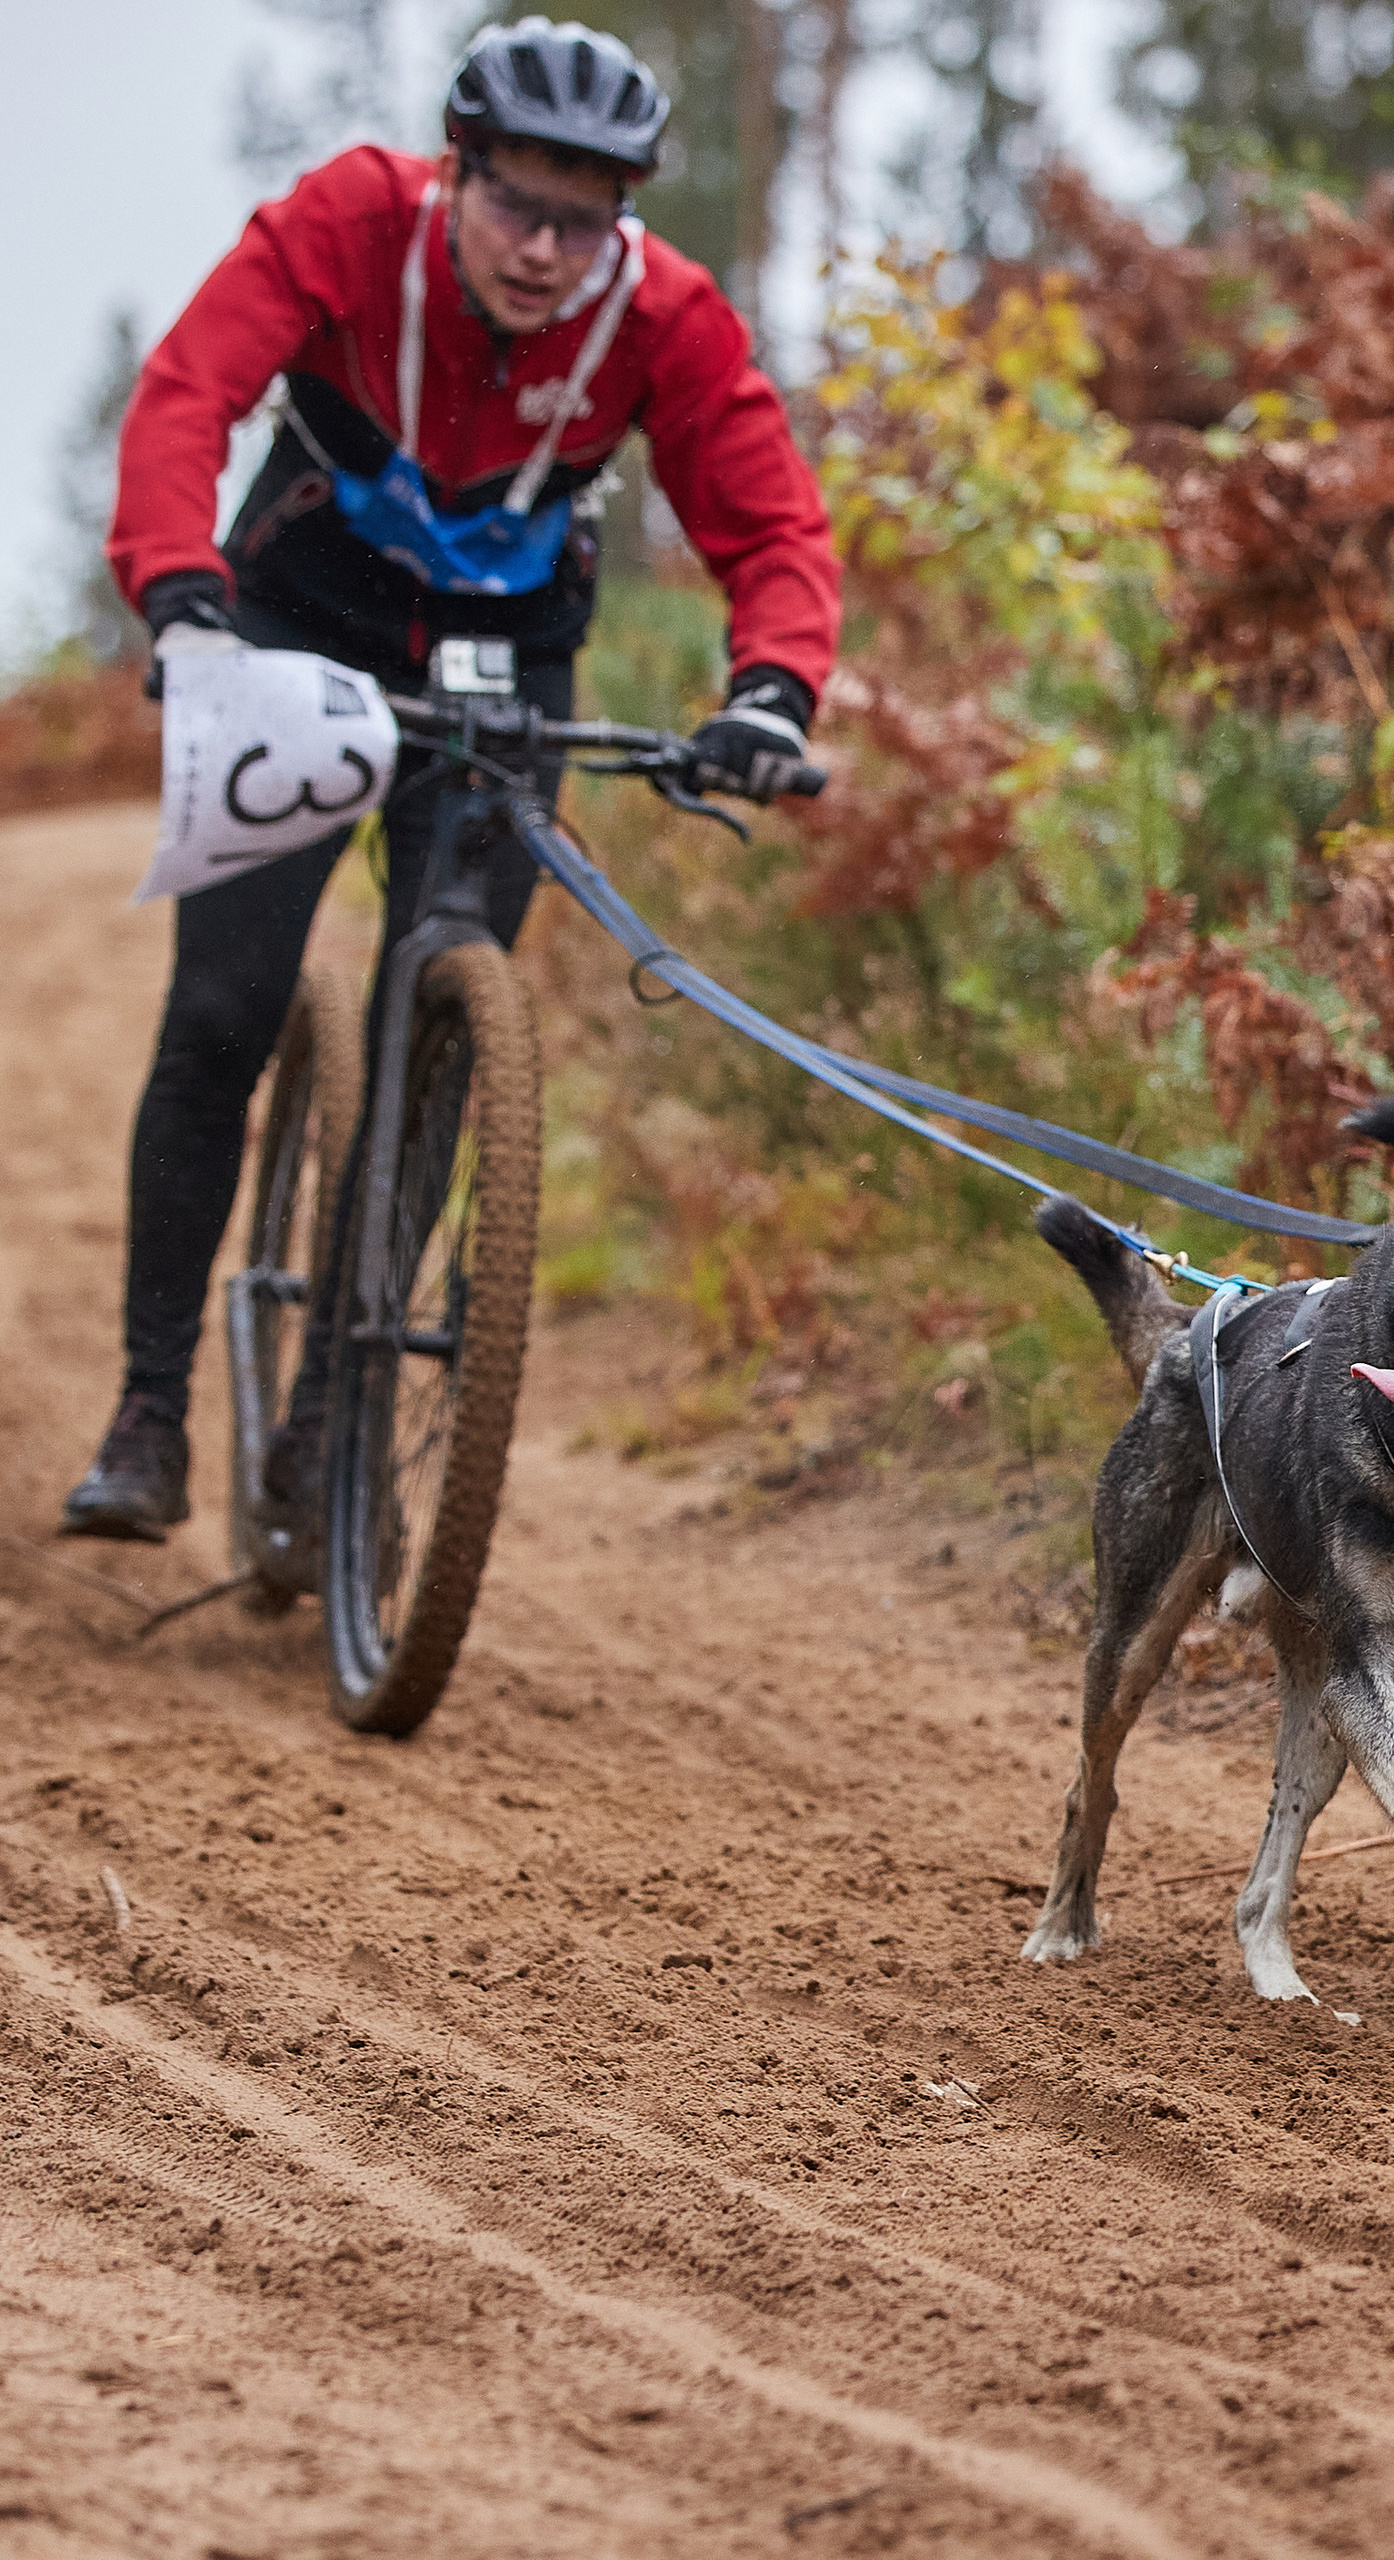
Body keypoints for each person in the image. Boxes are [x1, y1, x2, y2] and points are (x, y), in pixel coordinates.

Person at [65, 17, 840, 1545]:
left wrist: (771, 689)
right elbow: (188, 393)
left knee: (433, 1031)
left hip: (504, 667)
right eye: (518, 206)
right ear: (455, 171)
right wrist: (178, 593)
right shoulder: (345, 221)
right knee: (221, 1009)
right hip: (292, 633)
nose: (546, 251)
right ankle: (149, 1412)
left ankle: (328, 1432)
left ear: (623, 215)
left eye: (584, 219)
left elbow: (770, 524)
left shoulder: (664, 314)